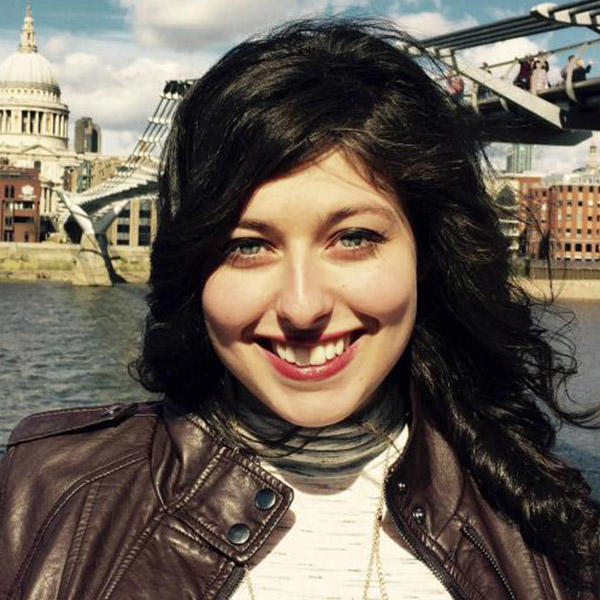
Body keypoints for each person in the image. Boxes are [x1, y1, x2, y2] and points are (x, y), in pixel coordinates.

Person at [1, 19, 599, 600]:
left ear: (427, 253)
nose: (303, 307)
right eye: (246, 246)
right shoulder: (45, 491)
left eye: (355, 238)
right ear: (193, 270)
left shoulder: (551, 523)